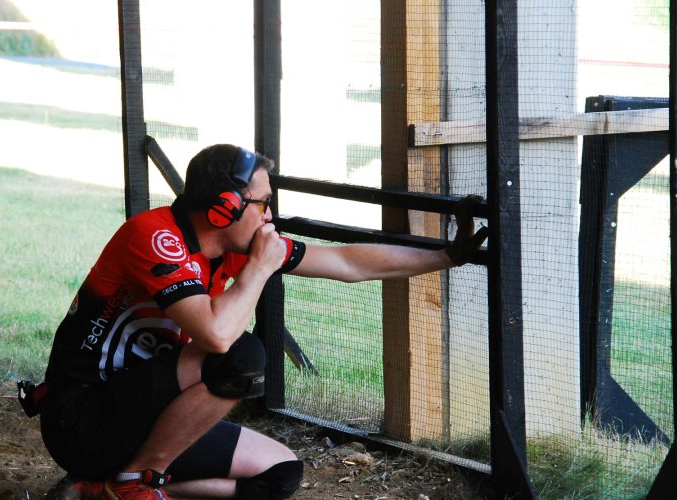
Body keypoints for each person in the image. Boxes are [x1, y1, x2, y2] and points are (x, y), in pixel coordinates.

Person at [35, 144, 487, 500]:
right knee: (239, 357)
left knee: (280, 474)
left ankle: (103, 489)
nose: (269, 215)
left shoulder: (234, 246)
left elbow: (347, 262)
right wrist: (257, 269)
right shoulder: (154, 236)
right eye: (263, 203)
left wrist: (447, 256)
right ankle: (138, 478)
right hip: (82, 419)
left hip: (149, 416)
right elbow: (216, 335)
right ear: (224, 208)